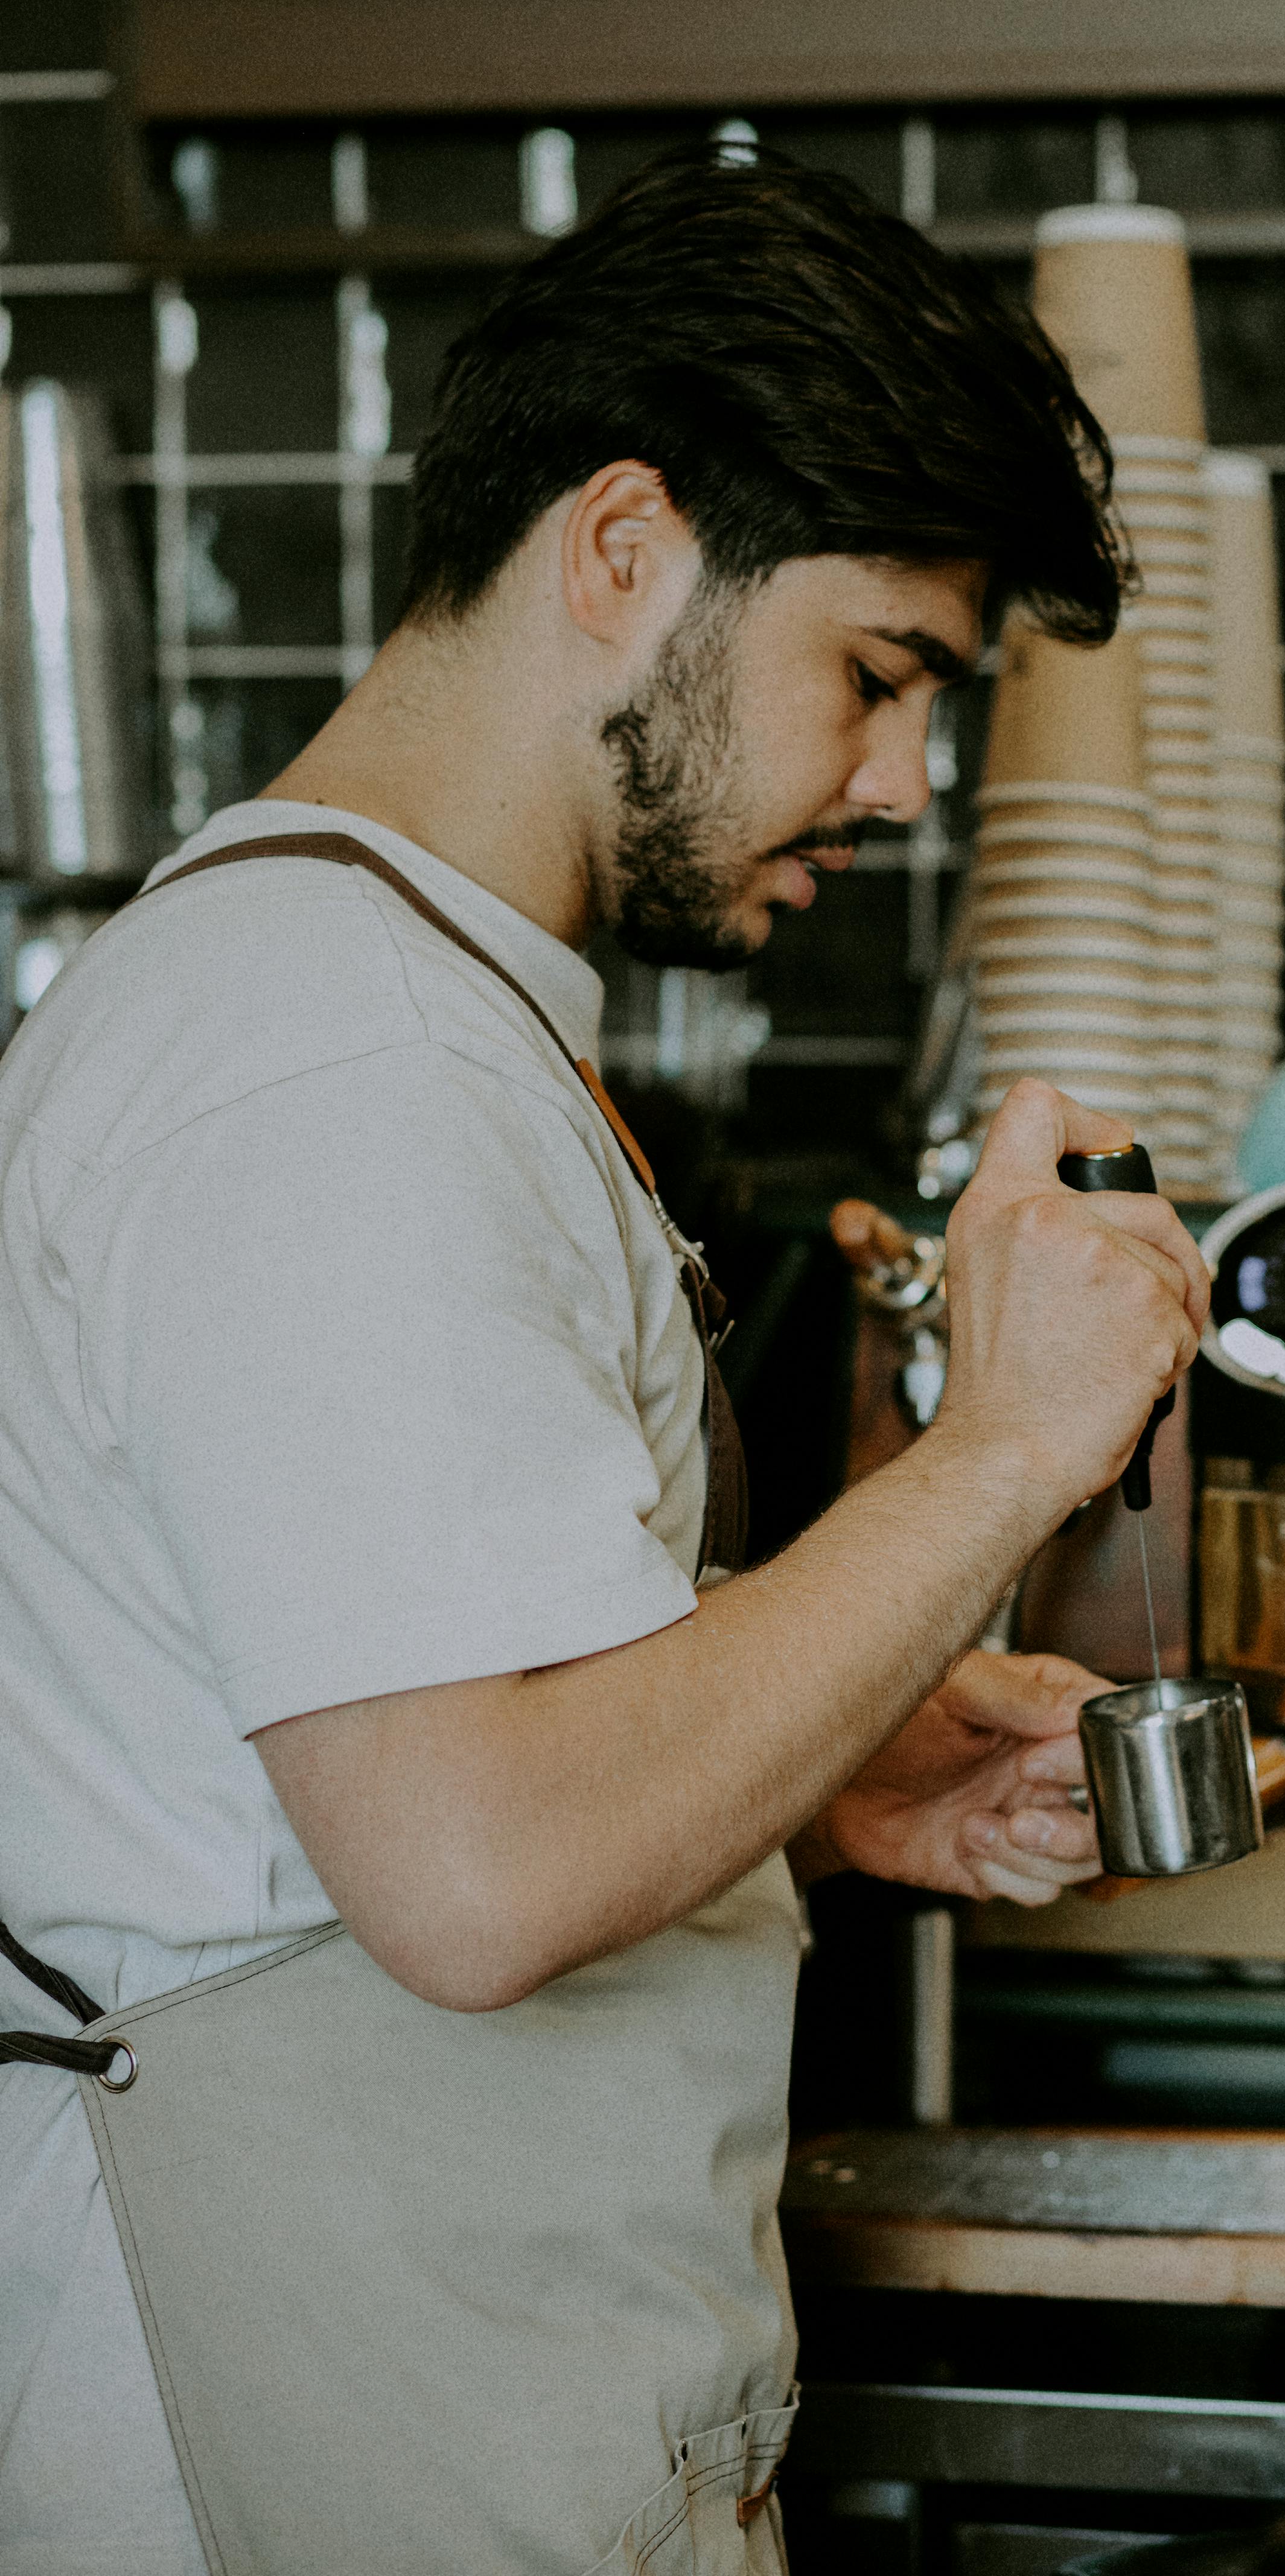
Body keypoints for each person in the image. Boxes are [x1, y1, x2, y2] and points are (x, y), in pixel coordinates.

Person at [0, 153, 1208, 2575]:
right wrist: (1003, 1450)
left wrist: (815, 1765)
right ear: (628, 545)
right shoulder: (335, 1065)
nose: (900, 788)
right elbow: (478, 1868)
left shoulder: (387, 1007)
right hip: (285, 2438)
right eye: (877, 677)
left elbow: (418, 1759)